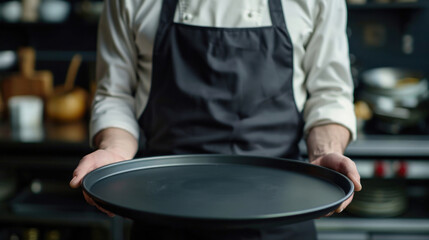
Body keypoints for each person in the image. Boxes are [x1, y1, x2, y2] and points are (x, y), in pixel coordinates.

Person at [70, 0, 362, 239]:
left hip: (283, 215)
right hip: (160, 211)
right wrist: (115, 151)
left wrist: (326, 153)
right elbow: (115, 94)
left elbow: (329, 94)